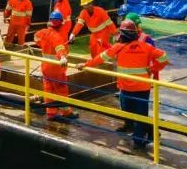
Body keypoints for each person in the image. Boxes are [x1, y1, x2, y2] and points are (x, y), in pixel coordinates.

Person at [80, 19, 169, 149]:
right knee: (138, 114)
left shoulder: (119, 47)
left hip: (131, 88)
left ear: (123, 34)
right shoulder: (145, 47)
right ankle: (146, 132)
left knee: (136, 114)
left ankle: (139, 140)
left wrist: (85, 65)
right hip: (139, 88)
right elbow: (164, 58)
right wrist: (154, 68)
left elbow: (100, 58)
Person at [35, 11, 77, 120]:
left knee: (48, 90)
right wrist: (63, 57)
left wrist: (43, 45)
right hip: (56, 69)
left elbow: (36, 38)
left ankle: (50, 113)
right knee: (61, 90)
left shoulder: (42, 32)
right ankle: (66, 112)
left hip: (45, 67)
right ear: (60, 24)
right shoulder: (56, 36)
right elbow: (59, 48)